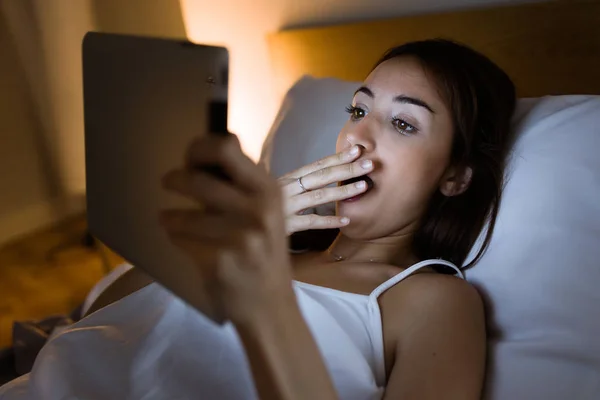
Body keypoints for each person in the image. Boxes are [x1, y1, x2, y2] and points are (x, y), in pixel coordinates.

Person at [0, 39, 516, 399]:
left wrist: (264, 290)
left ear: (455, 177)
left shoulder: (433, 301)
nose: (357, 138)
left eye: (403, 123)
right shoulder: (274, 246)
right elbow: (98, 320)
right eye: (358, 111)